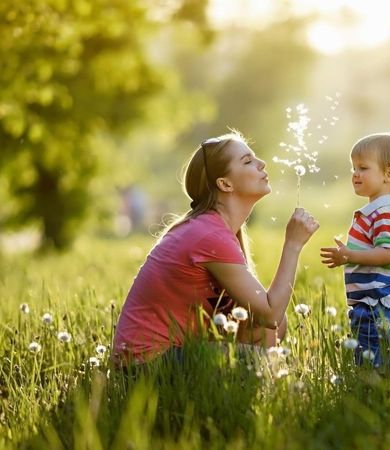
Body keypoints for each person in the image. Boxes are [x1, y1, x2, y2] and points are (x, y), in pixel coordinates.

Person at [112, 132, 319, 366]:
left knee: (261, 329)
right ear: (225, 183)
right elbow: (270, 313)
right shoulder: (210, 235)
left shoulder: (215, 228)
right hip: (146, 365)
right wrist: (292, 245)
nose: (262, 164)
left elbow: (265, 317)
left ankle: (241, 393)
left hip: (169, 355)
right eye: (248, 161)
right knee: (262, 360)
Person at [320, 132, 390, 368]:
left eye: (363, 167)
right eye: (353, 167)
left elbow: (388, 253)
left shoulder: (384, 214)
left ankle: (374, 395)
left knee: (372, 362)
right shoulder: (377, 211)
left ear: (389, 174)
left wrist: (350, 256)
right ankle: (381, 393)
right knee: (379, 357)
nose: (355, 174)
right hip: (372, 302)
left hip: (378, 304)